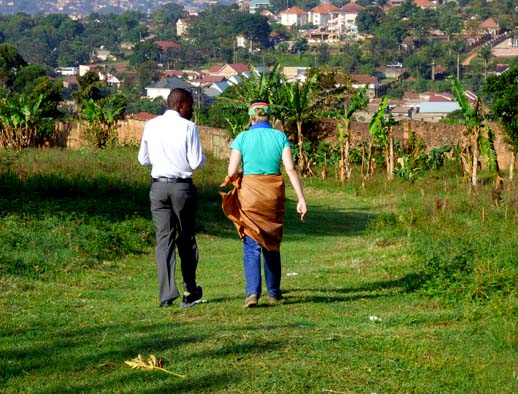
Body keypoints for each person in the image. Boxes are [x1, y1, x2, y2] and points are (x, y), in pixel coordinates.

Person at [220, 100, 307, 308]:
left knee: (251, 244)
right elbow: (290, 168)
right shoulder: (280, 137)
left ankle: (252, 294)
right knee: (272, 242)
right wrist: (301, 198)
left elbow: (232, 171)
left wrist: (234, 179)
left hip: (250, 192)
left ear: (251, 118)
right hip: (273, 193)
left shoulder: (242, 137)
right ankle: (274, 292)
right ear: (270, 117)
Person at [138, 88, 205, 308]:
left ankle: (166, 295)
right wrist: (201, 157)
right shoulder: (188, 127)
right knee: (186, 238)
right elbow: (195, 163)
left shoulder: (151, 125)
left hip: (158, 188)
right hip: (181, 188)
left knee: (163, 240)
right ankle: (189, 290)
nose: (192, 110)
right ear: (180, 105)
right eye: (190, 105)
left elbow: (143, 159)